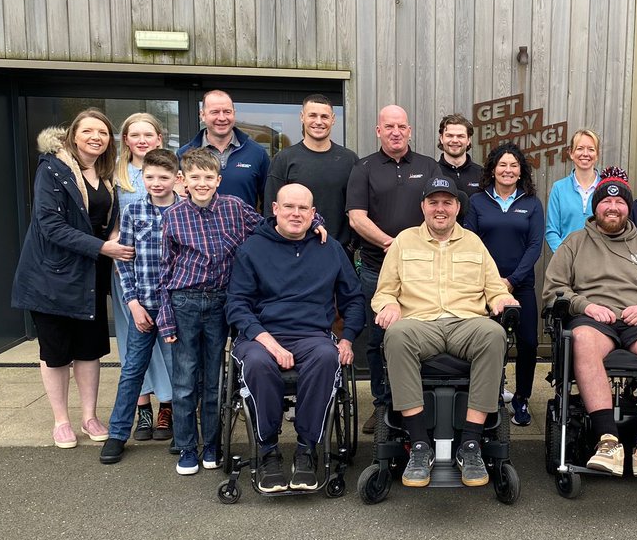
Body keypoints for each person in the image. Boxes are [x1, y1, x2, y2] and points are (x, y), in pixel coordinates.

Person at [157, 149, 322, 476]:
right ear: (183, 181)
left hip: (221, 300)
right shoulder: (173, 217)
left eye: (208, 178)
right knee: (185, 378)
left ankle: (212, 445)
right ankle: (188, 446)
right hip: (185, 301)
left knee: (216, 377)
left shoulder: (234, 209)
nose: (202, 184)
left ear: (218, 180)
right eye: (195, 178)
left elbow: (272, 222)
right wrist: (165, 317)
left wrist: (314, 222)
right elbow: (164, 270)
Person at [373, 177, 518, 488]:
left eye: (447, 202)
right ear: (423, 206)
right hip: (419, 323)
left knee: (494, 335)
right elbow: (384, 292)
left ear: (457, 207)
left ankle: (471, 443)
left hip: (466, 323)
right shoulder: (403, 241)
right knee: (395, 337)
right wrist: (389, 306)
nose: (440, 209)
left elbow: (493, 288)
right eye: (434, 202)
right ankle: (420, 446)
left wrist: (502, 298)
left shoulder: (474, 243)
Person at [543, 169, 637, 477]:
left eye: (620, 202)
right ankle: (607, 441)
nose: (612, 207)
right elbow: (553, 290)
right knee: (580, 338)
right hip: (594, 319)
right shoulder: (575, 243)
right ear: (596, 207)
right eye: (606, 201)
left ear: (628, 209)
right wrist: (586, 305)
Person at [226, 184, 365, 493]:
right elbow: (236, 305)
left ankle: (306, 449)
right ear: (275, 208)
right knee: (259, 364)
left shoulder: (330, 249)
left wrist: (347, 339)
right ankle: (268, 451)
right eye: (289, 207)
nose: (296, 213)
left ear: (314, 214)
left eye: (303, 209)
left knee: (326, 356)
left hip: (311, 334)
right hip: (261, 335)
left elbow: (354, 299)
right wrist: (270, 343)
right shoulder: (252, 248)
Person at [11, 112, 134, 448]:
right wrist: (103, 247)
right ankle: (61, 421)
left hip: (90, 275)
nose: (96, 137)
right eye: (88, 131)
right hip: (52, 276)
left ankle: (90, 416)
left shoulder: (107, 174)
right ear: (73, 136)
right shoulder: (52, 169)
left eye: (103, 132)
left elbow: (109, 220)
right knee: (55, 351)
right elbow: (49, 225)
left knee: (90, 350)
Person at [346, 105, 440, 433]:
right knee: (378, 340)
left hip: (422, 272)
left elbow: (439, 212)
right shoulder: (364, 168)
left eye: (401, 126)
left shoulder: (429, 166)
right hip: (375, 269)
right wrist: (393, 244)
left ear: (410, 130)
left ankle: (419, 403)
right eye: (389, 126)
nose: (395, 131)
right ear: (378, 131)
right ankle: (383, 404)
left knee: (420, 337)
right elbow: (356, 216)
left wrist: (413, 250)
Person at [100, 148, 180, 465]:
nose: (157, 183)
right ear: (142, 177)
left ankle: (186, 433)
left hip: (177, 310)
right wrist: (132, 303)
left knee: (183, 371)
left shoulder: (186, 212)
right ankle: (117, 433)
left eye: (164, 177)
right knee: (132, 370)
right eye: (150, 177)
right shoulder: (134, 213)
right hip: (143, 308)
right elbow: (125, 264)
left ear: (177, 178)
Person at [464, 142, 544, 426]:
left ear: (520, 171)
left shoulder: (531, 203)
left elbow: (535, 246)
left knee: (528, 342)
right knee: (487, 342)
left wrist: (511, 280)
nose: (508, 170)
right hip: (483, 286)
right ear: (493, 170)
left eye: (513, 165)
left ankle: (521, 398)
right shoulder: (477, 201)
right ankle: (492, 395)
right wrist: (492, 282)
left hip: (520, 285)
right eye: (502, 165)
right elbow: (470, 242)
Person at [110, 112, 174, 446]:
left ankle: (168, 404)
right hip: (130, 270)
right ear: (125, 140)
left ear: (159, 138)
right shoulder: (115, 174)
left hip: (166, 276)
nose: (141, 140)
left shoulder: (170, 175)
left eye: (148, 134)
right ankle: (142, 406)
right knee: (134, 338)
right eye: (134, 134)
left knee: (167, 342)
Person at [264, 93, 358, 251]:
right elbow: (270, 211)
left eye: (324, 116)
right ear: (302, 117)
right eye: (312, 115)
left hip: (339, 252)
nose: (319, 122)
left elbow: (358, 209)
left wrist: (351, 246)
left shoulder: (349, 160)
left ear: (333, 119)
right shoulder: (284, 159)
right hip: (294, 250)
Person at [177, 89, 270, 210]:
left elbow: (268, 201)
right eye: (215, 112)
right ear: (203, 115)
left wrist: (261, 228)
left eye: (227, 112)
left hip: (245, 228)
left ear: (234, 114)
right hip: (198, 228)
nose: (222, 118)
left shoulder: (257, 153)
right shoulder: (183, 154)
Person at [545, 128, 601, 252]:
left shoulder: (605, 188)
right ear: (571, 153)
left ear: (597, 155)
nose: (585, 154)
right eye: (580, 148)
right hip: (567, 263)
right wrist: (565, 256)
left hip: (600, 265)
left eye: (591, 149)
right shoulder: (559, 188)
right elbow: (552, 231)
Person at [435, 113, 482, 198]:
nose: (455, 140)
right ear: (441, 138)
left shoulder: (481, 174)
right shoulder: (432, 172)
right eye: (449, 136)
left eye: (460, 136)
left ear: (468, 140)